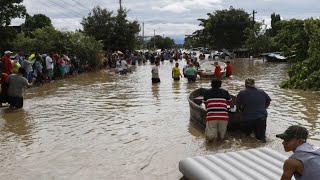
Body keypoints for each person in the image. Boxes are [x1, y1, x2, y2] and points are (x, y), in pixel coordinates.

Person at [236, 78, 271, 142]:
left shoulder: (242, 93)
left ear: (246, 84)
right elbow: (268, 101)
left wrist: (238, 112)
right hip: (261, 117)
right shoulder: (261, 91)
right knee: (261, 138)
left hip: (248, 118)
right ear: (254, 84)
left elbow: (238, 105)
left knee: (246, 137)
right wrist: (264, 108)